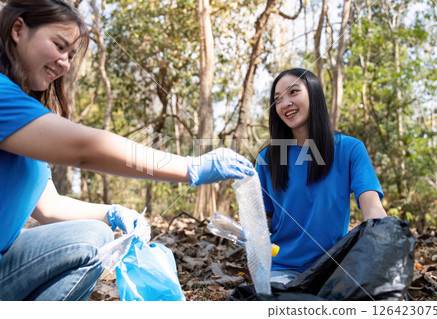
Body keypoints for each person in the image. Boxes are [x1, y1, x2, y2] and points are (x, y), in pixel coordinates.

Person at [0, 0, 255, 301]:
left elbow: (49, 206)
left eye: (70, 55)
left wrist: (112, 212)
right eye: (59, 45)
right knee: (92, 238)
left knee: (96, 232)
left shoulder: (24, 118)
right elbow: (86, 148)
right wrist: (190, 168)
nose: (65, 62)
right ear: (18, 29)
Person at [256, 68, 387, 284]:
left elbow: (372, 206)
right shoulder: (267, 157)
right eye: (277, 99)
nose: (284, 103)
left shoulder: (350, 149)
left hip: (335, 267)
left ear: (314, 94)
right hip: (282, 268)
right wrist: (251, 231)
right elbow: (264, 220)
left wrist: (384, 243)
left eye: (293, 92)